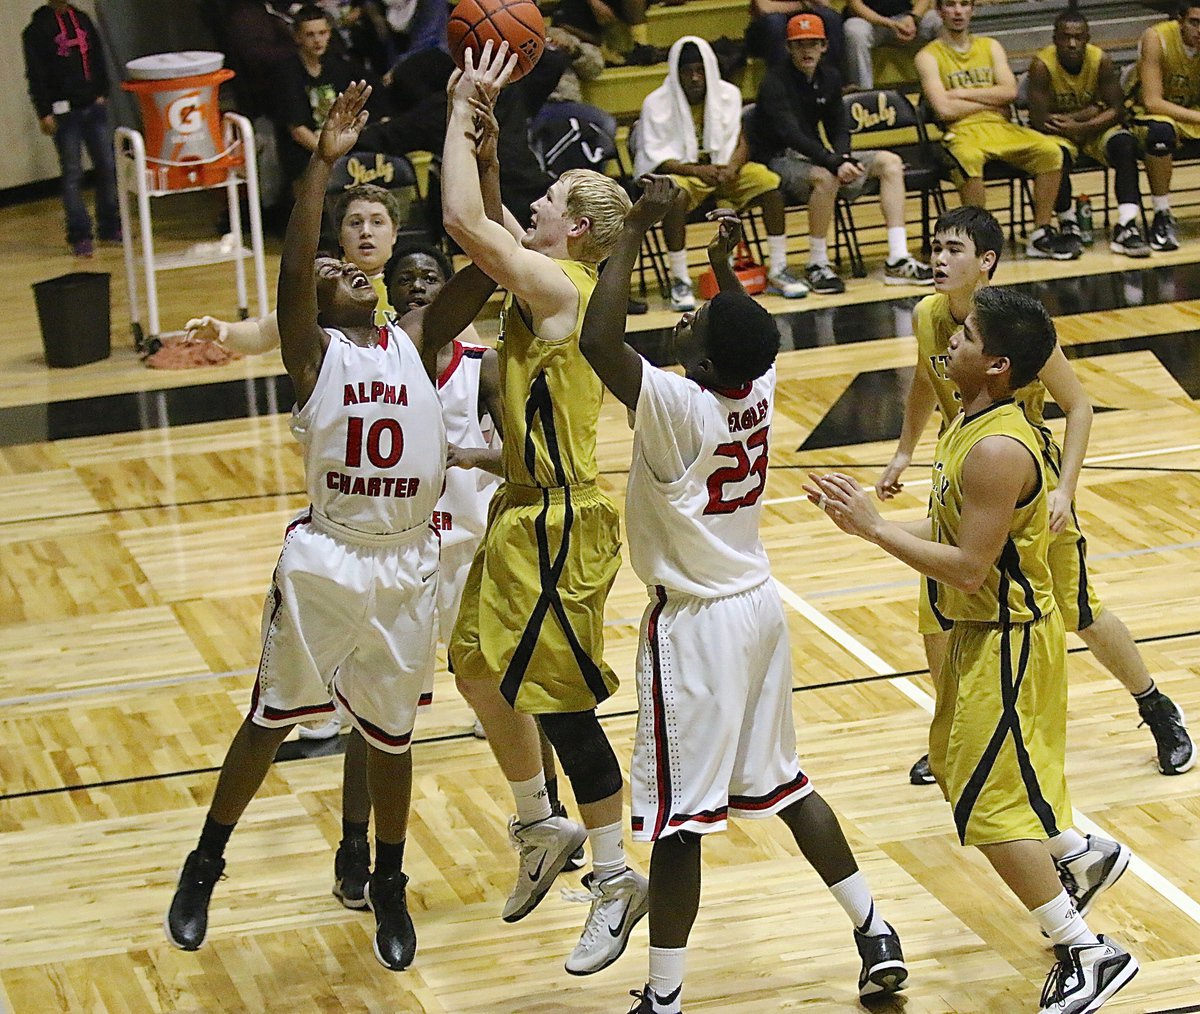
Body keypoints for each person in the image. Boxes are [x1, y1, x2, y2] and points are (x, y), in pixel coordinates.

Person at [163, 81, 497, 972]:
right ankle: (206, 862)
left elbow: (485, 265)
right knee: (271, 719)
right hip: (328, 560)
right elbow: (295, 266)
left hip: (407, 560)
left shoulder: (416, 340)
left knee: (390, 737)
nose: (348, 270)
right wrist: (320, 163)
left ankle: (386, 879)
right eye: (330, 271)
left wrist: (487, 161)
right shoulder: (313, 353)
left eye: (355, 267)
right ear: (312, 299)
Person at [581, 177, 909, 1014]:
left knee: (678, 822)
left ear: (700, 361)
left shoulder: (678, 407)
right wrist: (724, 267)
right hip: (759, 607)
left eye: (695, 319)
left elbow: (597, 339)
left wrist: (636, 229)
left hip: (697, 626)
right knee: (785, 783)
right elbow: (742, 331)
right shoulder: (754, 384)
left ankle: (663, 997)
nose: (687, 316)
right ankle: (874, 930)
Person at [807, 285, 1140, 1014]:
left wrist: (875, 530)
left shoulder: (996, 448)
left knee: (989, 810)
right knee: (962, 772)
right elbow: (956, 541)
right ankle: (1077, 852)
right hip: (977, 633)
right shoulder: (970, 419)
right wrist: (863, 519)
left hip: (1009, 641)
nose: (949, 342)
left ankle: (1090, 951)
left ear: (997, 364)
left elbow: (967, 567)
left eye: (966, 338)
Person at [442, 41, 650, 976]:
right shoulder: (550, 274)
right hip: (519, 509)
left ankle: (615, 876)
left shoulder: (562, 286)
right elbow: (491, 214)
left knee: (563, 711)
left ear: (576, 229)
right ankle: (539, 822)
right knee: (475, 666)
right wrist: (487, 148)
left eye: (548, 200)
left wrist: (461, 108)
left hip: (561, 525)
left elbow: (464, 224)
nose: (532, 206)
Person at [875, 207, 1194, 784]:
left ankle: (1155, 705)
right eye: (935, 248)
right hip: (962, 474)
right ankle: (955, 734)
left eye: (953, 249)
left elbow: (1078, 405)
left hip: (1026, 483)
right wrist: (904, 451)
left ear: (986, 261)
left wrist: (1065, 490)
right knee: (937, 617)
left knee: (1079, 610)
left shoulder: (1012, 327)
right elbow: (925, 380)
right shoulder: (927, 316)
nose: (939, 259)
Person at [752, 13, 934, 293]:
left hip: (816, 154)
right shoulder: (774, 82)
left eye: (813, 44)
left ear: (824, 46)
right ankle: (817, 263)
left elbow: (839, 126)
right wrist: (834, 162)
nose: (807, 51)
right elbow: (791, 134)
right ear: (789, 48)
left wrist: (844, 157)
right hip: (777, 159)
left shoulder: (830, 77)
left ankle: (898, 258)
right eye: (800, 45)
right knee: (826, 178)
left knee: (890, 163)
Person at [634, 36, 809, 311]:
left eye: (700, 70)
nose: (695, 78)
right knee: (673, 195)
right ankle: (680, 280)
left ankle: (778, 268)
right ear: (676, 73)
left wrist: (732, 167)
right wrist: (697, 170)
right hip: (686, 172)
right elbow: (657, 159)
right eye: (687, 71)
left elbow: (741, 140)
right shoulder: (655, 103)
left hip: (724, 169)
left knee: (769, 185)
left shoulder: (728, 94)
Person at [916, 0, 1079, 260]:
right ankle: (978, 239)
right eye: (950, 5)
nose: (958, 11)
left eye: (964, 4)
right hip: (961, 131)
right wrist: (990, 101)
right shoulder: (927, 56)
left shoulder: (990, 46)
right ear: (939, 11)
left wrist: (960, 94)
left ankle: (1041, 233)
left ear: (973, 10)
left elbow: (1010, 92)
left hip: (1001, 127)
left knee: (1050, 150)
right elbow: (944, 110)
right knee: (968, 157)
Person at [1027, 9, 1151, 258]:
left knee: (1125, 143)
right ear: (1055, 39)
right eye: (1065, 37)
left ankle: (1126, 224)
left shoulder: (1100, 60)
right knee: (1055, 154)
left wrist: (1080, 124)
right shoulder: (1041, 65)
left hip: (1093, 130)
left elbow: (1117, 110)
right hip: (1060, 133)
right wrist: (1090, 112)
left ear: (1087, 38)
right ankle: (1067, 221)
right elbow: (1040, 120)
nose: (1072, 43)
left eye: (1078, 37)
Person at [22, 0, 120, 258]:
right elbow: (35, 73)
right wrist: (44, 111)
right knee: (73, 172)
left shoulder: (83, 20)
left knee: (107, 166)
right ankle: (80, 234)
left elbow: (98, 56)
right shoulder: (37, 29)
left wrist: (102, 91)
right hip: (64, 112)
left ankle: (110, 225)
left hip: (93, 106)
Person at [275, 6, 387, 194]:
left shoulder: (338, 65)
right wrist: (330, 153)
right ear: (297, 37)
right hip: (307, 156)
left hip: (340, 145)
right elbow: (298, 131)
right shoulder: (288, 73)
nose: (317, 40)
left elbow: (373, 90)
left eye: (322, 33)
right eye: (310, 35)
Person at [1127, 0, 1200, 252]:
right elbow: (1152, 102)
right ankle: (1162, 214)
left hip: (1191, 113)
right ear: (1180, 20)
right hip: (1148, 115)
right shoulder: (1156, 38)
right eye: (1195, 23)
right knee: (1160, 132)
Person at [843, 0, 942, 91]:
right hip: (868, 21)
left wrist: (912, 17)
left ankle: (942, 89)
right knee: (854, 30)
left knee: (938, 19)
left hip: (906, 20)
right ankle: (863, 94)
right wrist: (889, 23)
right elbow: (855, 5)